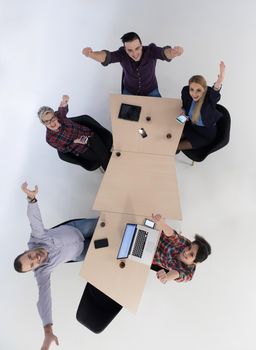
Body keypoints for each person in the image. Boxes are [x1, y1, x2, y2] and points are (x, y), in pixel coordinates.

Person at [14, 182, 99, 350]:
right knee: (108, 246)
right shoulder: (42, 273)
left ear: (26, 250)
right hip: (80, 252)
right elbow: (44, 299)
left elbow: (35, 220)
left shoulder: (37, 238)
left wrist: (31, 199)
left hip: (78, 230)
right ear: (33, 269)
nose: (35, 259)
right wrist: (47, 330)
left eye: (30, 256)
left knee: (106, 225)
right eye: (32, 264)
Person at [82, 32, 183, 97]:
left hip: (151, 90)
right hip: (129, 91)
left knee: (158, 114)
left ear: (141, 45)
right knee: (129, 120)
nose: (134, 54)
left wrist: (173, 53)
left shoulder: (151, 50)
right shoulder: (122, 53)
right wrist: (91, 54)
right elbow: (106, 57)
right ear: (125, 49)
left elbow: (164, 53)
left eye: (137, 48)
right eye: (130, 50)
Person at [38, 95, 112, 171]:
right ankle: (114, 170)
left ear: (55, 116)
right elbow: (63, 150)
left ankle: (113, 171)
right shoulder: (50, 139)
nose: (52, 123)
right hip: (80, 149)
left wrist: (64, 102)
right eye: (47, 121)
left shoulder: (59, 115)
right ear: (43, 123)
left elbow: (63, 109)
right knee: (100, 157)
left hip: (87, 135)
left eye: (52, 118)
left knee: (103, 156)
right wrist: (75, 142)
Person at [177, 61, 226, 151]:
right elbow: (184, 107)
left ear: (204, 90)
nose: (194, 94)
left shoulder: (209, 98)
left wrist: (219, 80)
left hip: (205, 134)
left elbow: (215, 92)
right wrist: (182, 114)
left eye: (198, 90)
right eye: (192, 89)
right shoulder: (186, 92)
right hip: (192, 127)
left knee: (175, 147)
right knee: (171, 139)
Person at [151, 214, 211, 283]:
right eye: (189, 248)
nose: (186, 252)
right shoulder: (186, 243)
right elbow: (173, 236)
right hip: (154, 236)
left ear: (195, 262)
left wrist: (166, 277)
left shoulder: (188, 273)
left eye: (191, 254)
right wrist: (162, 223)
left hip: (151, 255)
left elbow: (178, 274)